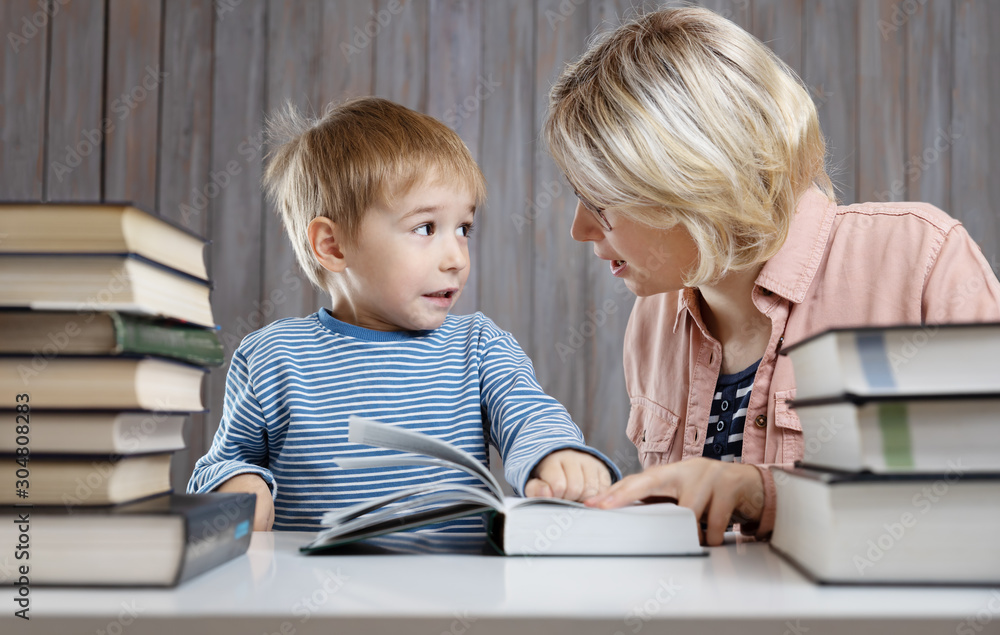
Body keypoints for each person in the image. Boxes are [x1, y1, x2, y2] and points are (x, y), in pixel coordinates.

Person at [542, 7, 1000, 545]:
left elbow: (980, 497)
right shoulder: (652, 317)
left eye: (599, 202)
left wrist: (764, 494)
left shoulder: (917, 259)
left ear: (689, 181)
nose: (579, 230)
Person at [189, 97, 619, 532]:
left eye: (464, 229)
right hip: (312, 593)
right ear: (333, 246)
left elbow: (531, 415)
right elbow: (220, 464)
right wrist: (238, 483)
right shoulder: (273, 357)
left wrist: (557, 454)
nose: (456, 258)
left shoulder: (480, 347)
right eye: (425, 228)